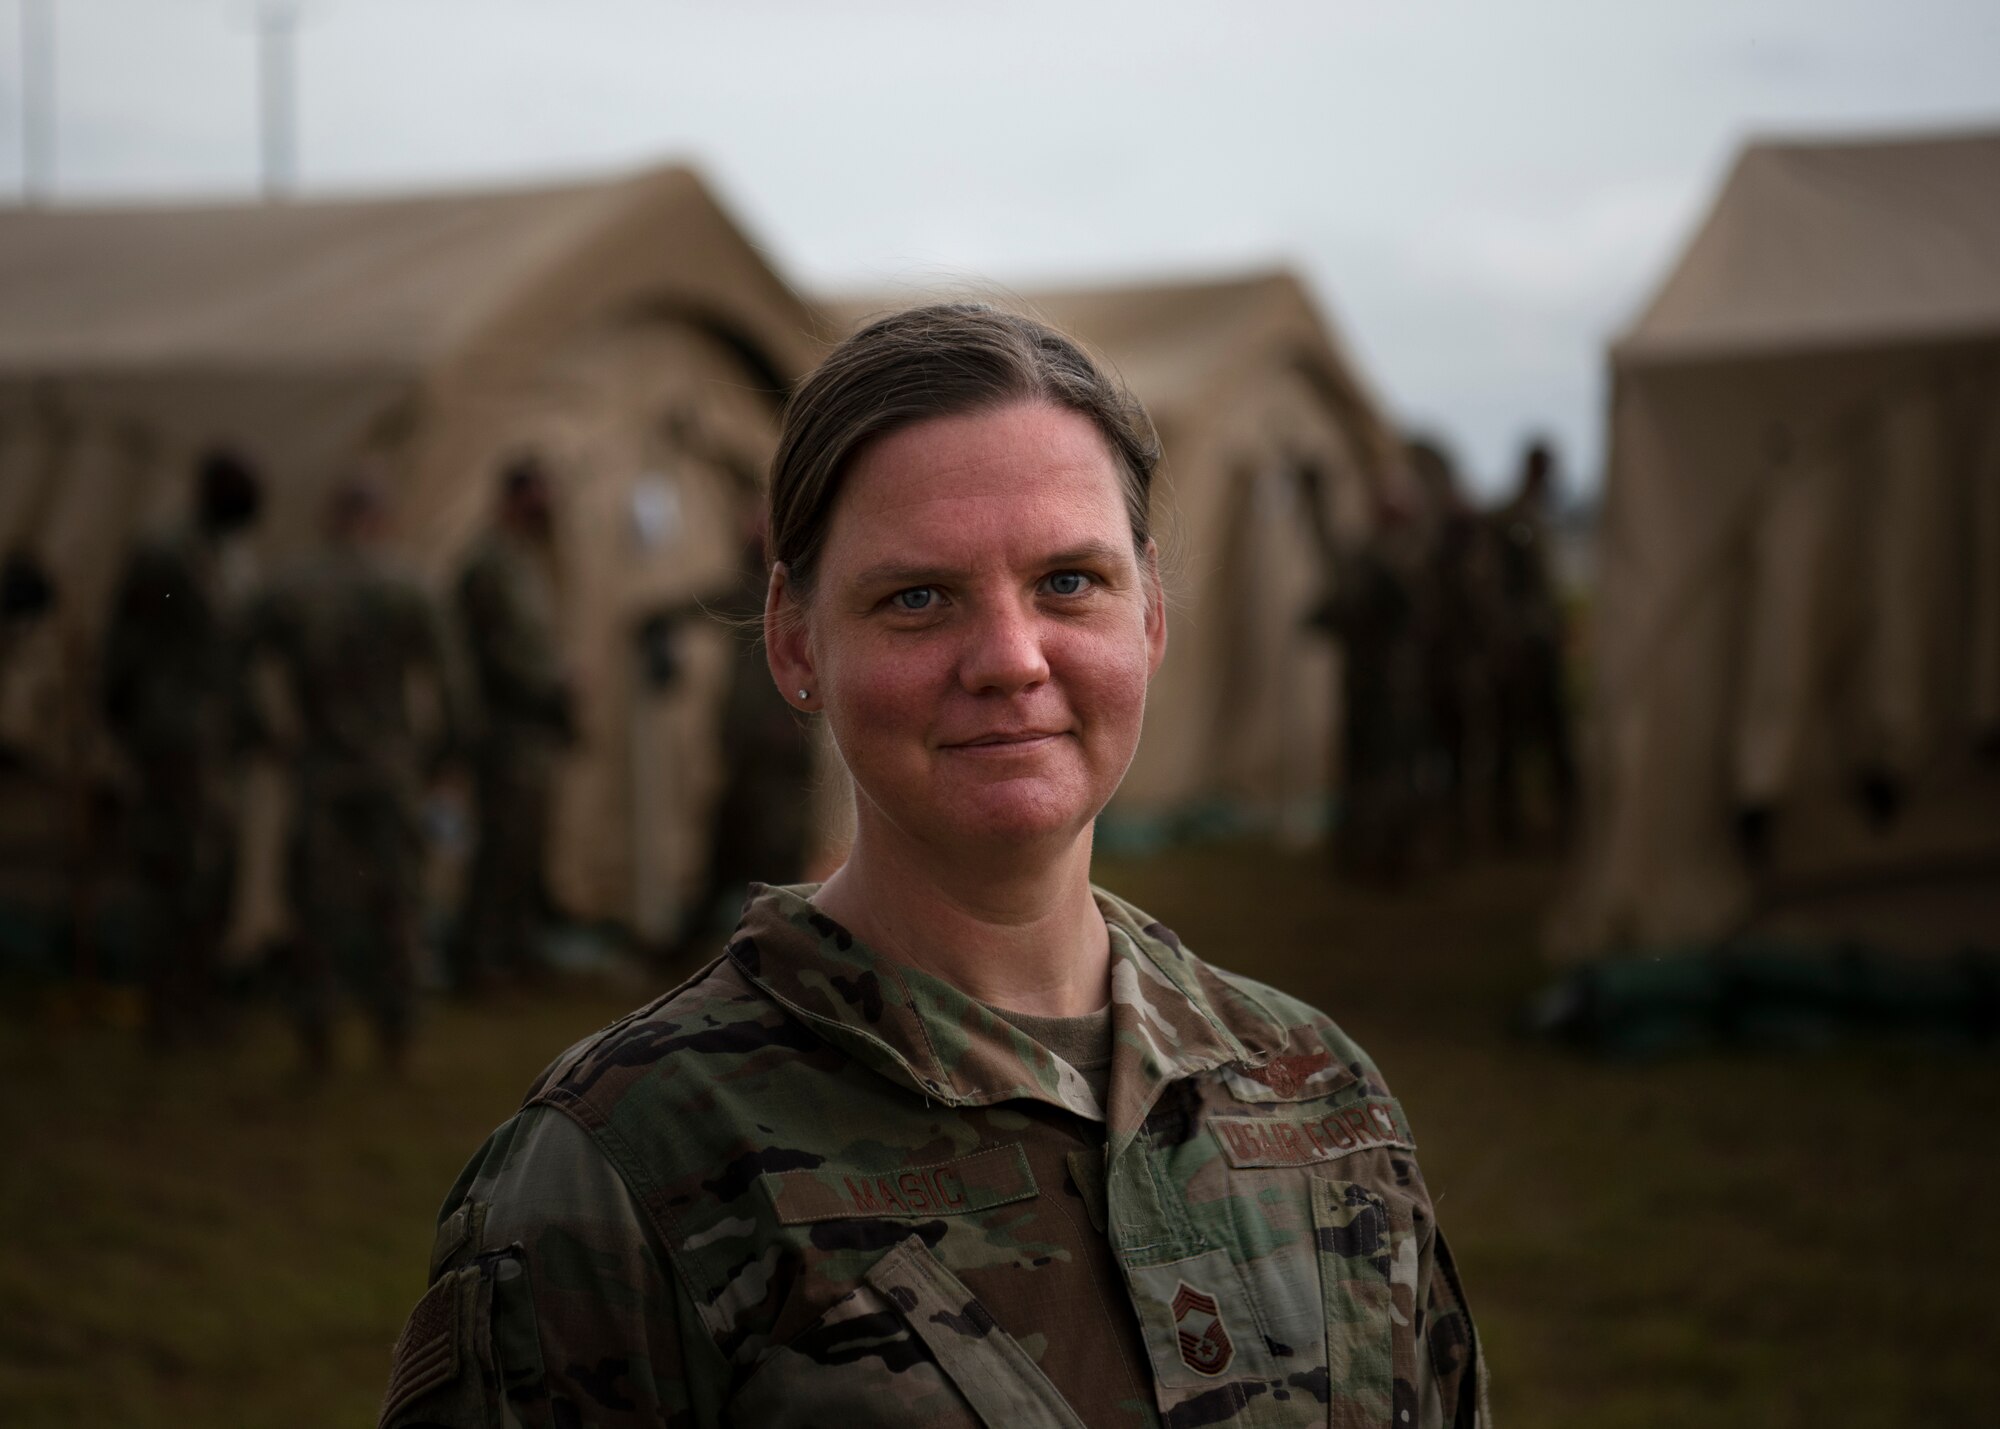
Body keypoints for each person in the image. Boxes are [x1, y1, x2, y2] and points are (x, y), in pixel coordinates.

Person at [381, 305, 1488, 1428]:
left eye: (1068, 582)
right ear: (795, 641)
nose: (1010, 658)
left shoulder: (1317, 1098)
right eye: (917, 598)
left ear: (1149, 612)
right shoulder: (621, 1173)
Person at [241, 475, 463, 1076]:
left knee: (316, 907)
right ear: (380, 518)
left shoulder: (293, 587)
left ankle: (316, 1040)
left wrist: (264, 732)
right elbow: (451, 684)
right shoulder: (407, 586)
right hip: (390, 769)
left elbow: (235, 655)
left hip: (320, 768)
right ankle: (398, 1042)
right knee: (399, 905)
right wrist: (441, 755)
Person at [100, 447, 262, 1051]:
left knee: (215, 873)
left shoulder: (232, 556)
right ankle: (167, 1008)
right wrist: (127, 722)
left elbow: (235, 654)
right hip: (173, 737)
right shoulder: (165, 555)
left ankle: (201, 997)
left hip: (214, 741)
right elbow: (126, 644)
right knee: (176, 870)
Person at [451, 455, 574, 993]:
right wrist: (554, 684)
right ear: (514, 498)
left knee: (526, 846)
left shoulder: (524, 558)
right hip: (505, 729)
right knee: (502, 845)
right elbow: (498, 652)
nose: (546, 509)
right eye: (537, 497)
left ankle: (517, 952)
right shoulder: (488, 562)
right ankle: (481, 961)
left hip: (533, 728)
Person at [1485, 438, 1576, 848]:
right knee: (1513, 739)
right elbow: (1500, 590)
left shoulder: (1535, 518)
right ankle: (1509, 824)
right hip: (1519, 649)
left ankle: (1557, 818)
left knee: (1551, 737)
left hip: (1537, 645)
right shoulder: (1512, 521)